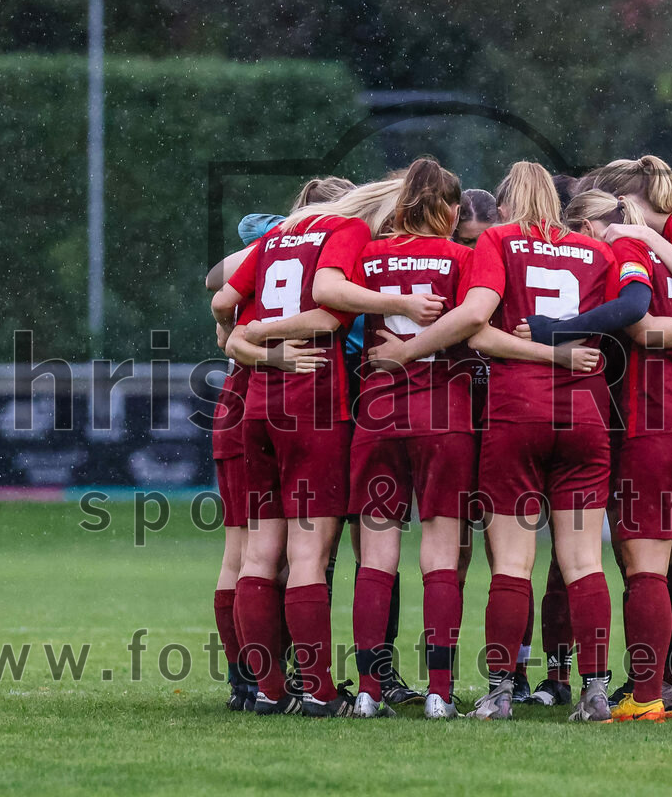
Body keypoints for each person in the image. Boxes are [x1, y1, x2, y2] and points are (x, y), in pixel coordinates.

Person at [525, 183, 672, 722]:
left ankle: (645, 698)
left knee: (645, 568)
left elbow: (639, 323)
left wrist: (556, 331)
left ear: (590, 226)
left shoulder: (625, 248)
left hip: (659, 421)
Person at [210, 179, 404, 717]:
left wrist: (245, 338)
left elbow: (222, 298)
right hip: (313, 404)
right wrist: (398, 300)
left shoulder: (277, 237)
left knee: (256, 555)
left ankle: (267, 689)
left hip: (256, 407)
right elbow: (327, 311)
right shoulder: (348, 231)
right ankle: (318, 689)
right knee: (308, 556)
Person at [313, 159, 486, 718]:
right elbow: (475, 323)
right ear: (451, 212)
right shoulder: (463, 256)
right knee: (441, 554)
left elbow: (329, 298)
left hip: (378, 413)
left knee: (376, 555)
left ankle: (368, 689)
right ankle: (439, 691)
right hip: (443, 412)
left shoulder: (365, 255)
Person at [456, 161, 621, 723]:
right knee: (584, 562)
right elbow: (623, 318)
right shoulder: (595, 251)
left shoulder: (497, 241)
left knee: (512, 563)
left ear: (505, 204)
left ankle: (501, 691)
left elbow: (477, 329)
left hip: (517, 411)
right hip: (584, 413)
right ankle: (595, 690)